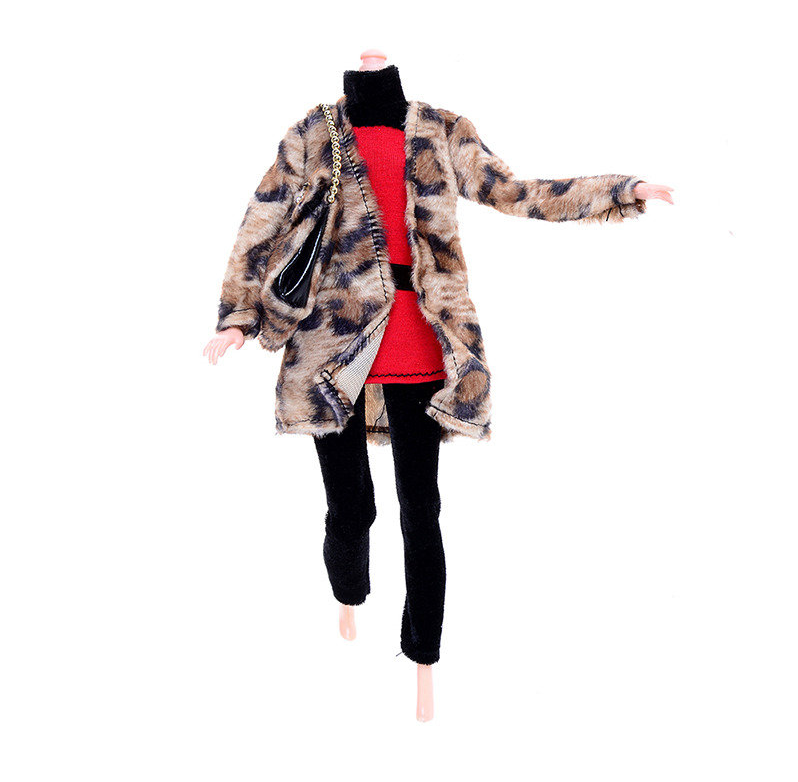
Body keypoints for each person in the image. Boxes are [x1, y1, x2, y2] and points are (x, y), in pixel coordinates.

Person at [203, 50, 673, 721]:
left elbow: (516, 191)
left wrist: (623, 190)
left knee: (421, 512)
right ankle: (349, 596)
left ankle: (423, 658)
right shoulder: (313, 133)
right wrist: (236, 319)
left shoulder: (442, 130)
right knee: (349, 508)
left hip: (421, 341)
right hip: (331, 347)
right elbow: (263, 219)